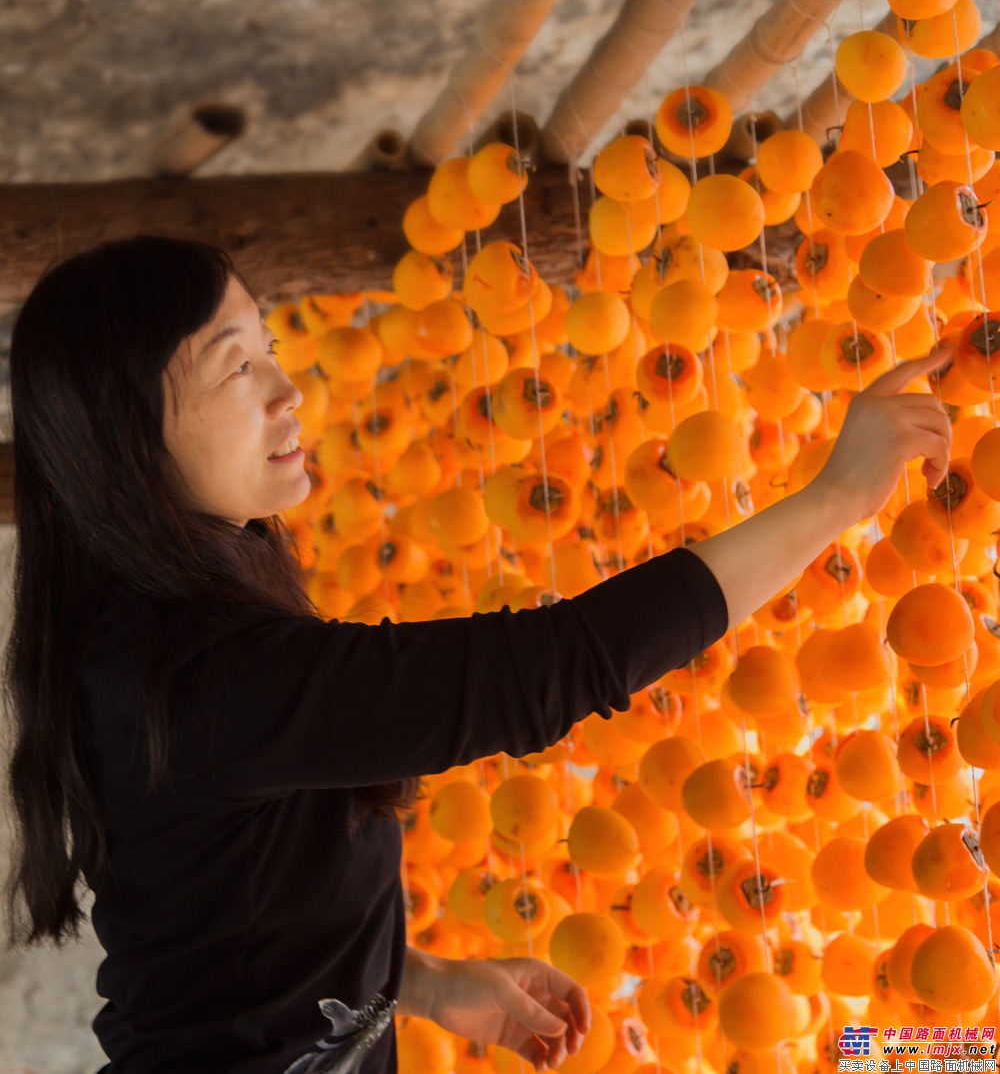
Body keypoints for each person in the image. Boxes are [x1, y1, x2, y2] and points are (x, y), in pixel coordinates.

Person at [2, 236, 952, 1074]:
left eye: (271, 349)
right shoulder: (200, 674)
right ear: (130, 441)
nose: (287, 390)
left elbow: (224, 910)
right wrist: (834, 499)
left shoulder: (165, 631)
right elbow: (547, 666)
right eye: (233, 367)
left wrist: (416, 981)